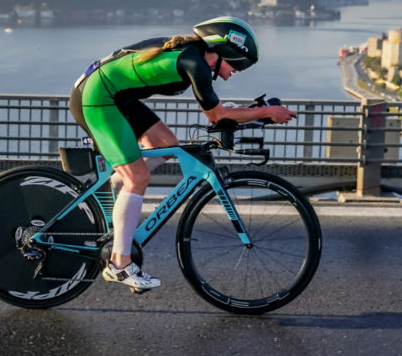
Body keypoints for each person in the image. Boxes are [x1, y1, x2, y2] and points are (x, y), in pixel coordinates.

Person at [69, 16, 297, 291]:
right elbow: (218, 115)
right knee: (138, 177)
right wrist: (266, 112)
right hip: (97, 98)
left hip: (117, 96)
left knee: (166, 144)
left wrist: (254, 112)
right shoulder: (194, 63)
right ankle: (120, 265)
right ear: (225, 52)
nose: (237, 70)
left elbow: (219, 111)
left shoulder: (194, 57)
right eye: (237, 63)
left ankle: (120, 184)